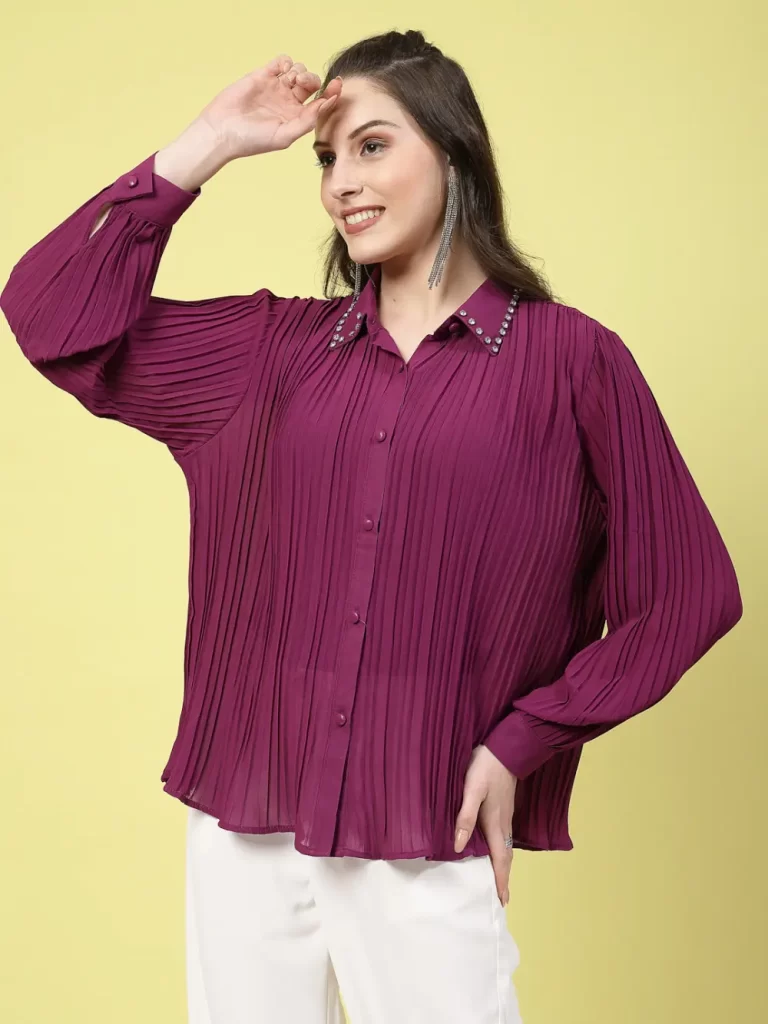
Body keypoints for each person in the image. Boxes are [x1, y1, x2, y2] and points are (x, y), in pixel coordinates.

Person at [0, 28, 743, 1024]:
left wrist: (521, 741)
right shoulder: (268, 353)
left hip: (424, 824)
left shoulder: (574, 365)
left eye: (373, 146)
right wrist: (209, 143)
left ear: (455, 151)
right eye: (326, 157)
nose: (341, 181)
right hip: (245, 832)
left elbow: (689, 594)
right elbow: (46, 315)